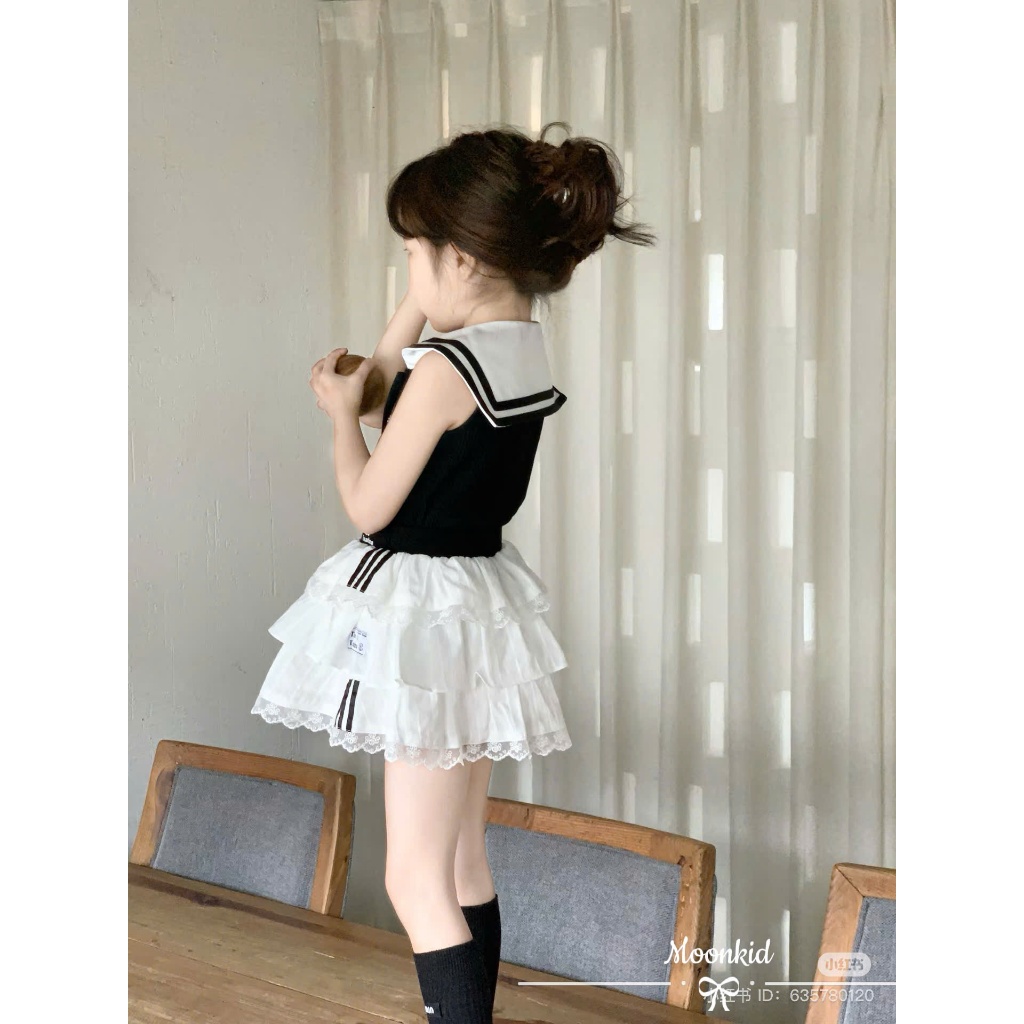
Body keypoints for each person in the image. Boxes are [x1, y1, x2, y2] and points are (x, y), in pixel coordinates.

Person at [250, 120, 656, 1024]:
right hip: (474, 607)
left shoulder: (444, 370)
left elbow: (369, 506)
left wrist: (340, 420)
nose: (409, 270)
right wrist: (414, 303)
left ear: (463, 256)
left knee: (413, 876)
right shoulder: (517, 344)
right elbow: (393, 385)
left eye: (413, 251)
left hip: (422, 618)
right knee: (464, 858)